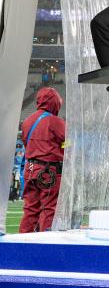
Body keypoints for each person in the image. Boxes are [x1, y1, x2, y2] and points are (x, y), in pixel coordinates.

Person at [19, 87, 65, 233]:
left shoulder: (27, 121)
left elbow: (27, 144)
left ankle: (21, 245)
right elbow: (69, 142)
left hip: (30, 169)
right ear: (55, 103)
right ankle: (45, 247)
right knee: (48, 209)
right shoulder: (55, 121)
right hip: (48, 171)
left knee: (30, 210)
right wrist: (64, 147)